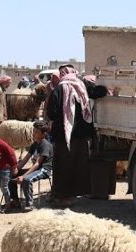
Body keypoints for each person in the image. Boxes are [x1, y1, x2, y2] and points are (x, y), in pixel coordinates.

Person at [45, 65, 107, 208]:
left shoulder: (59, 89)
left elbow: (51, 113)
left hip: (63, 137)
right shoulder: (82, 86)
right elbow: (99, 92)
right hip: (80, 136)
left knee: (62, 166)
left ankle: (61, 196)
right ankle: (70, 195)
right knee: (78, 165)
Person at [12, 121, 53, 211]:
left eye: (36, 132)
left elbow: (37, 163)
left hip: (44, 169)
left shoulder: (45, 145)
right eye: (33, 131)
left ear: (43, 134)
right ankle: (15, 200)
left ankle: (29, 203)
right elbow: (25, 159)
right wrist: (16, 169)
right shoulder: (34, 144)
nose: (33, 133)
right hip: (35, 169)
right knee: (11, 175)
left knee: (27, 179)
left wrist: (23, 176)